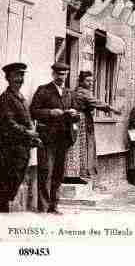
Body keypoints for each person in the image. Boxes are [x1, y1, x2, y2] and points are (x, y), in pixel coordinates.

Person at [30, 62, 80, 214]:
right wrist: (50, 112)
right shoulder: (43, 90)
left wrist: (74, 114)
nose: (61, 77)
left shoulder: (69, 93)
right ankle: (43, 208)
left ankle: (54, 206)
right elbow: (33, 111)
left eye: (64, 74)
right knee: (46, 171)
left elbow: (77, 116)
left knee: (58, 173)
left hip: (63, 139)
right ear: (53, 74)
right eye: (59, 74)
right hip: (47, 139)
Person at [0, 63, 42, 213]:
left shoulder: (20, 97)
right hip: (10, 149)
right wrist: (27, 132)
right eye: (16, 76)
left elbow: (25, 119)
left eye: (22, 75)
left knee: (14, 181)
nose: (20, 79)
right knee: (7, 182)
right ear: (8, 78)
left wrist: (33, 137)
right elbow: (8, 123)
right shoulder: (6, 98)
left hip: (22, 148)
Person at [73, 70, 121, 178]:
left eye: (92, 81)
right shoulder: (82, 92)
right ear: (81, 81)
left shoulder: (83, 91)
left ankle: (83, 170)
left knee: (86, 143)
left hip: (85, 119)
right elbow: (96, 102)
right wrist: (112, 109)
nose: (90, 83)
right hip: (82, 120)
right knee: (84, 143)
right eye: (87, 81)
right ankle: (83, 170)